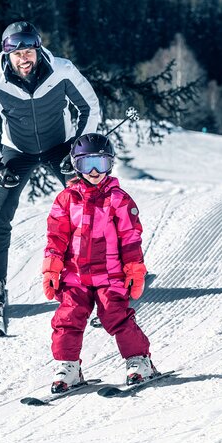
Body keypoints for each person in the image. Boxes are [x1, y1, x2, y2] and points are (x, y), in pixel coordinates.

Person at [0, 21, 100, 307]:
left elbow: (89, 106)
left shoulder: (61, 70)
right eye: (17, 54)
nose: (24, 59)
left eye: (28, 51)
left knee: (91, 206)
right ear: (7, 55)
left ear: (37, 49)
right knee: (0, 212)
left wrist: (77, 152)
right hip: (17, 150)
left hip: (61, 148)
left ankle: (102, 276)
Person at [42, 132, 159, 392]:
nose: (94, 171)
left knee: (116, 316)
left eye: (101, 164)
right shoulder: (66, 199)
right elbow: (56, 237)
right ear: (75, 165)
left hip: (110, 276)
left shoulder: (119, 199)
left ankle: (139, 360)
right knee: (67, 318)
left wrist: (134, 270)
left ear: (111, 164)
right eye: (87, 164)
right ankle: (68, 366)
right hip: (75, 277)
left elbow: (131, 238)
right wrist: (52, 268)